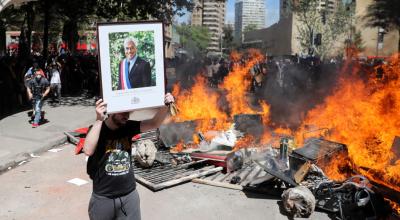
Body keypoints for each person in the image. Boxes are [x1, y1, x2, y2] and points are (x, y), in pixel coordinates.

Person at [83, 93, 175, 220]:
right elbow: (87, 150)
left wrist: (165, 106)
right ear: (112, 110)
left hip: (129, 196)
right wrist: (99, 120)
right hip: (103, 198)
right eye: (123, 112)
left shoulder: (128, 126)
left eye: (129, 112)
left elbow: (154, 123)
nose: (127, 116)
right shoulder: (98, 129)